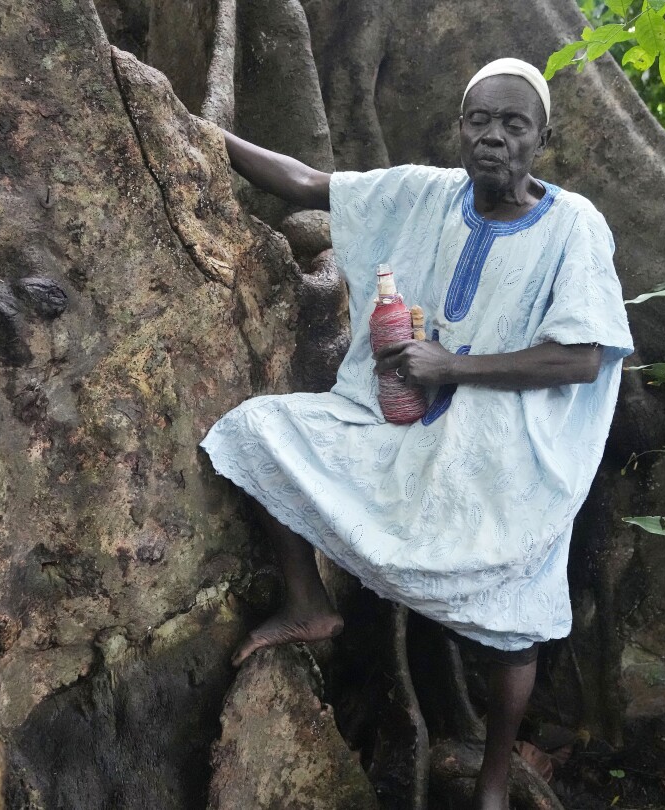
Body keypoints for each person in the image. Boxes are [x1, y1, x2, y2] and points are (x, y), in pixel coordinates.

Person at [200, 57, 633, 810]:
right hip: (398, 423)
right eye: (480, 120)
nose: (493, 137)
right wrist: (195, 125)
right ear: (460, 127)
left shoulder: (574, 225)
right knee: (258, 432)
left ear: (542, 138)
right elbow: (307, 186)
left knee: (514, 621)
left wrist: (455, 367)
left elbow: (585, 354)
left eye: (513, 124)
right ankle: (309, 604)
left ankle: (495, 783)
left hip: (509, 453)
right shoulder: (428, 194)